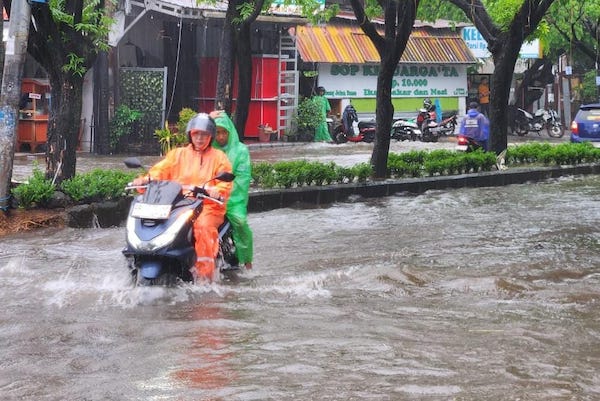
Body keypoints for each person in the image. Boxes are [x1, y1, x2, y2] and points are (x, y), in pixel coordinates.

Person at [132, 113, 233, 281]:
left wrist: (217, 190)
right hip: (178, 203)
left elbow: (226, 182)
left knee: (203, 227)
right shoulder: (178, 154)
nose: (200, 138)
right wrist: (145, 180)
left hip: (208, 206)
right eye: (196, 134)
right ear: (190, 134)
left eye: (204, 135)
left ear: (211, 137)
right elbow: (161, 170)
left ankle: (205, 276)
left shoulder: (219, 157)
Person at [210, 110, 254, 270]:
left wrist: (224, 194)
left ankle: (247, 261)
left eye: (224, 132)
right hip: (209, 197)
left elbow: (242, 180)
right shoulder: (208, 150)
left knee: (240, 223)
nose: (220, 137)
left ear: (230, 132)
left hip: (233, 199)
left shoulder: (241, 151)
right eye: (217, 132)